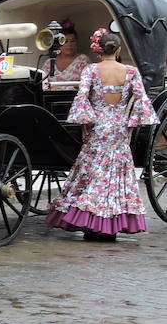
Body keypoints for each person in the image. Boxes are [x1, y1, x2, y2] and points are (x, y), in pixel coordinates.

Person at [46, 27, 157, 241]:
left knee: (93, 173)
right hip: (120, 128)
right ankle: (111, 224)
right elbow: (141, 100)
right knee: (116, 175)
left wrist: (86, 122)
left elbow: (82, 97)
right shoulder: (131, 71)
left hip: (98, 126)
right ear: (118, 49)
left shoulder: (91, 70)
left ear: (99, 49)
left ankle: (90, 222)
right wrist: (132, 122)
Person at [42, 19, 91, 90]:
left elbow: (88, 84)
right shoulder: (49, 63)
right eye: (66, 41)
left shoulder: (83, 60)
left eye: (72, 41)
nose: (69, 45)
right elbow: (43, 85)